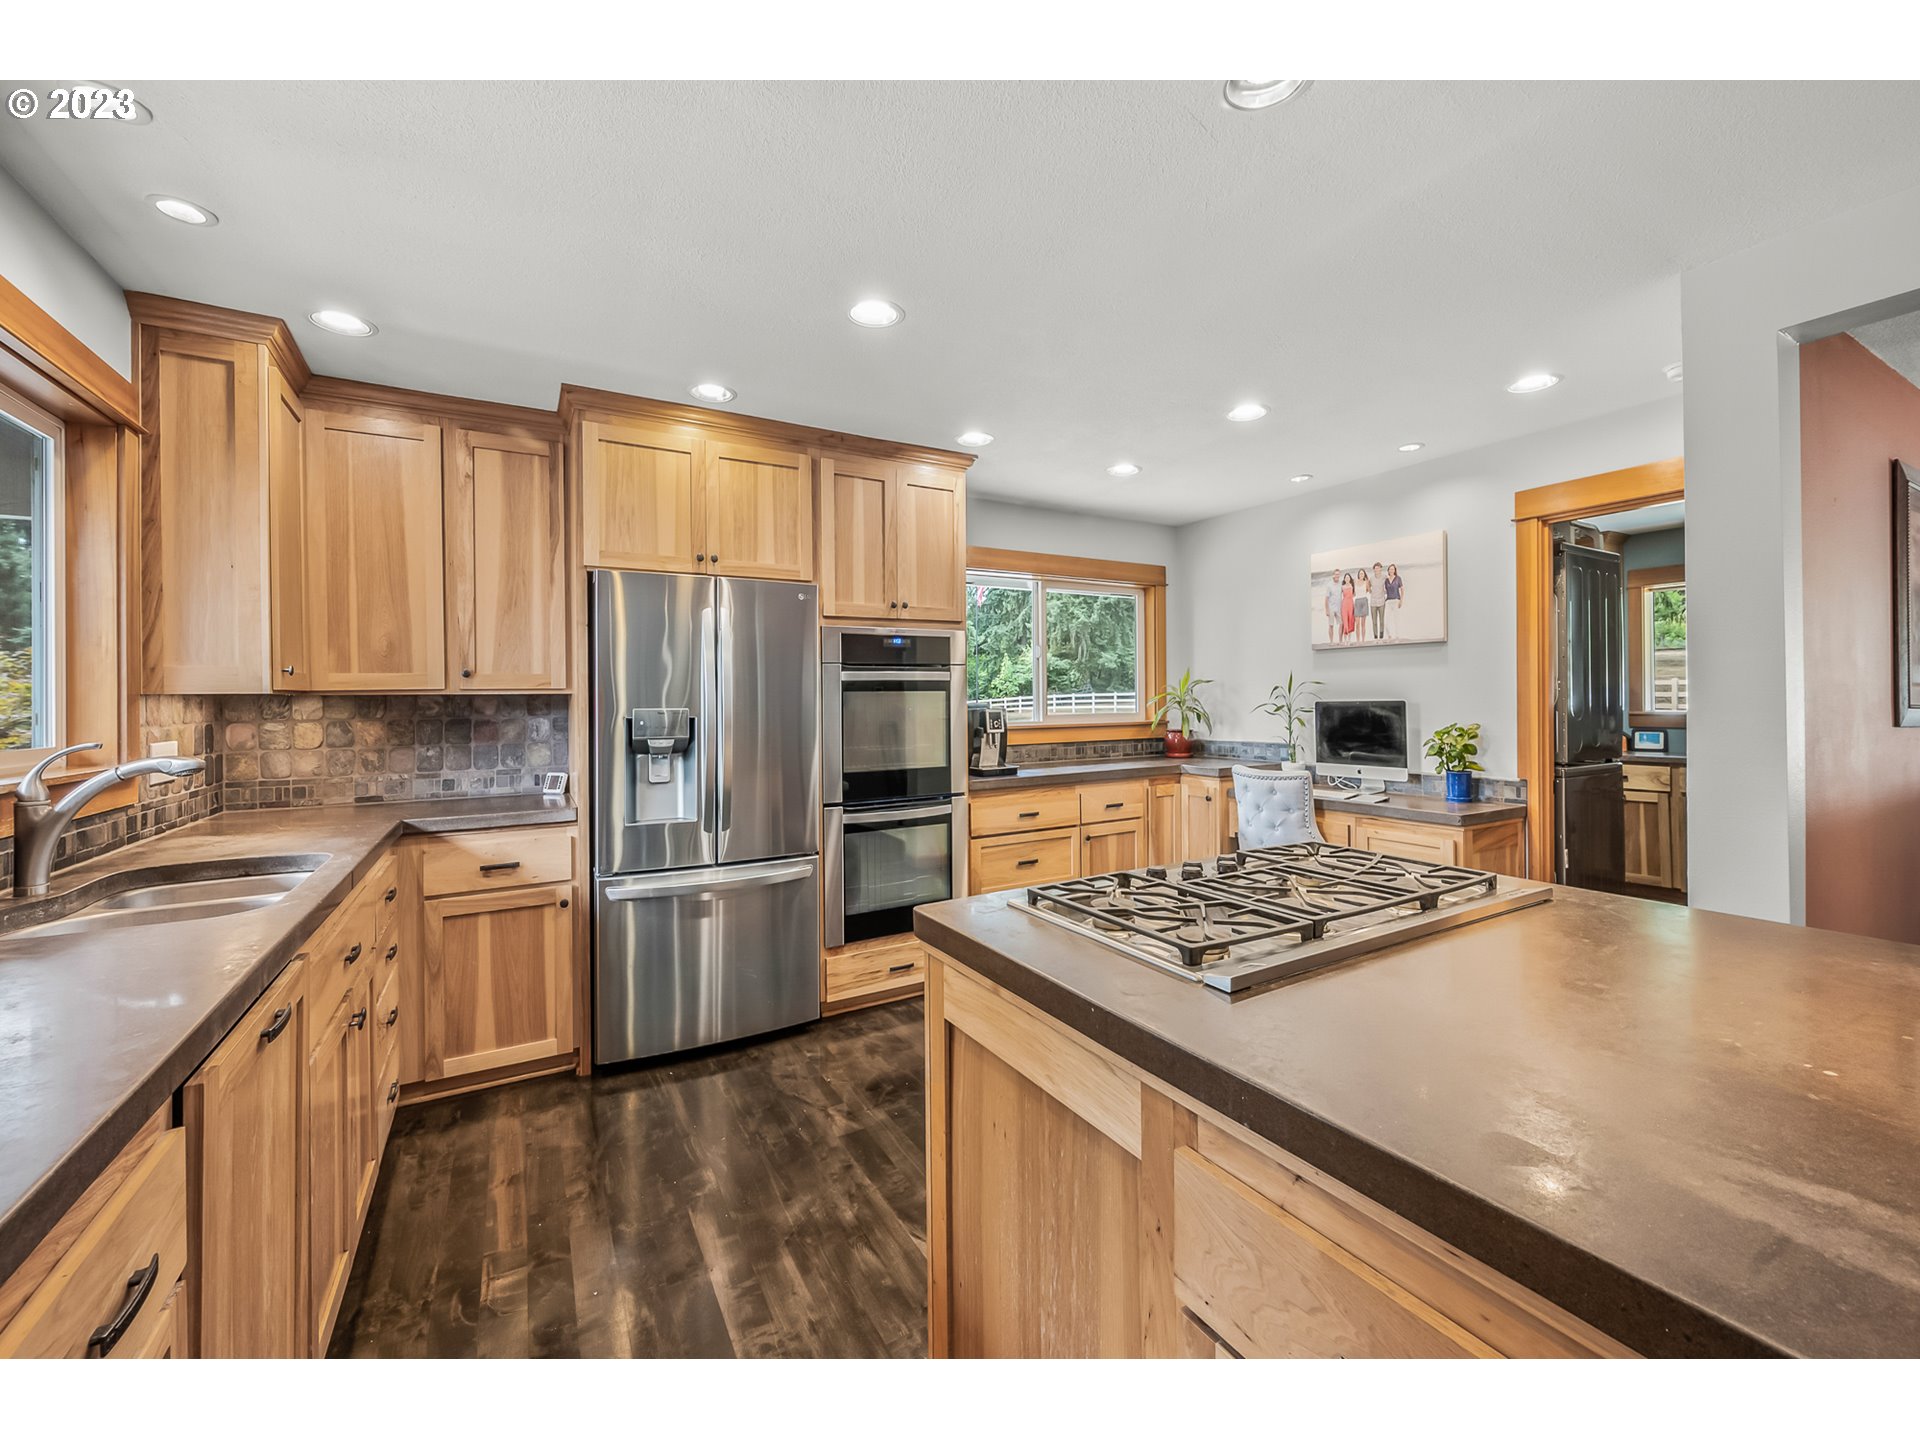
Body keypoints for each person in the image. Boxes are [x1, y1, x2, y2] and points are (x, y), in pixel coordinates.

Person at [1384, 562, 1404, 640]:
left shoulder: (1398, 578)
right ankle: (1389, 635)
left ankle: (1397, 636)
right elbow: (1385, 591)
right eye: (1390, 569)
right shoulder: (1386, 580)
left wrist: (1401, 600)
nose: (1391, 570)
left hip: (1396, 600)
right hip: (1388, 601)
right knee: (1386, 621)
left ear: (1394, 570)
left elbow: (1402, 589)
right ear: (1388, 570)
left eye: (1393, 569)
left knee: (1396, 620)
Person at [1352, 567, 1371, 643]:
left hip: (1364, 601)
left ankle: (1363, 640)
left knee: (1363, 624)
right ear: (1358, 575)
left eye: (1362, 573)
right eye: (1360, 573)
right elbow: (1353, 593)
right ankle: (1358, 640)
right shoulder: (1355, 581)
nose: (1361, 575)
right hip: (1357, 602)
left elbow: (1369, 591)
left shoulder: (1366, 582)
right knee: (1357, 624)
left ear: (1364, 574)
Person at [1370, 563, 1387, 640]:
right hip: (1373, 602)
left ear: (1380, 569)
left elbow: (1388, 585)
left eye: (1378, 568)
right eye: (1375, 568)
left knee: (1381, 620)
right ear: (1374, 569)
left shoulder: (1384, 577)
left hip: (1381, 601)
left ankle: (1381, 636)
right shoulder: (1371, 578)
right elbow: (1367, 587)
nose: (1377, 569)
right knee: (1374, 621)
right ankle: (1375, 637)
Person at [1323, 571, 1340, 646]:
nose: (1337, 575)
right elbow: (1326, 598)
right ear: (1333, 575)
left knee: (1341, 624)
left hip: (1339, 607)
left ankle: (1340, 641)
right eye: (1336, 574)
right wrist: (1327, 610)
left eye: (1338, 574)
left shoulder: (1340, 584)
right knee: (1331, 625)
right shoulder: (1329, 585)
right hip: (1331, 608)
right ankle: (1331, 642)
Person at [1339, 571, 1355, 644]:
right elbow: (1339, 597)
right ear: (1344, 579)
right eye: (1346, 577)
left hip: (1351, 604)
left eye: (1348, 577)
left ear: (1350, 578)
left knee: (1350, 621)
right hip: (1344, 604)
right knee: (1345, 621)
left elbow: (1354, 595)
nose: (1347, 578)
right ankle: (1345, 640)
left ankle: (1349, 639)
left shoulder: (1352, 585)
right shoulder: (1342, 587)